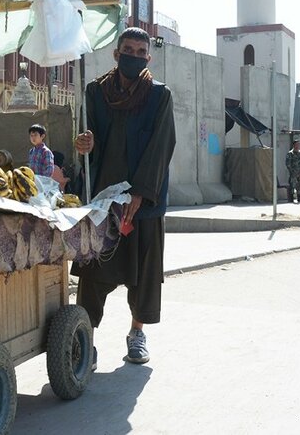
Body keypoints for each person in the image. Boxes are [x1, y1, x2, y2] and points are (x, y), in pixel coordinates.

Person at [71, 27, 176, 367]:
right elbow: (91, 140)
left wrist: (142, 193)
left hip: (143, 204)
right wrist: (84, 144)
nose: (133, 55)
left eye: (140, 51)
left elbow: (162, 146)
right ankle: (86, 340)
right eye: (127, 49)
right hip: (103, 200)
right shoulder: (96, 92)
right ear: (116, 54)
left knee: (144, 272)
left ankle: (137, 334)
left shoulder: (160, 96)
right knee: (93, 271)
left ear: (148, 57)